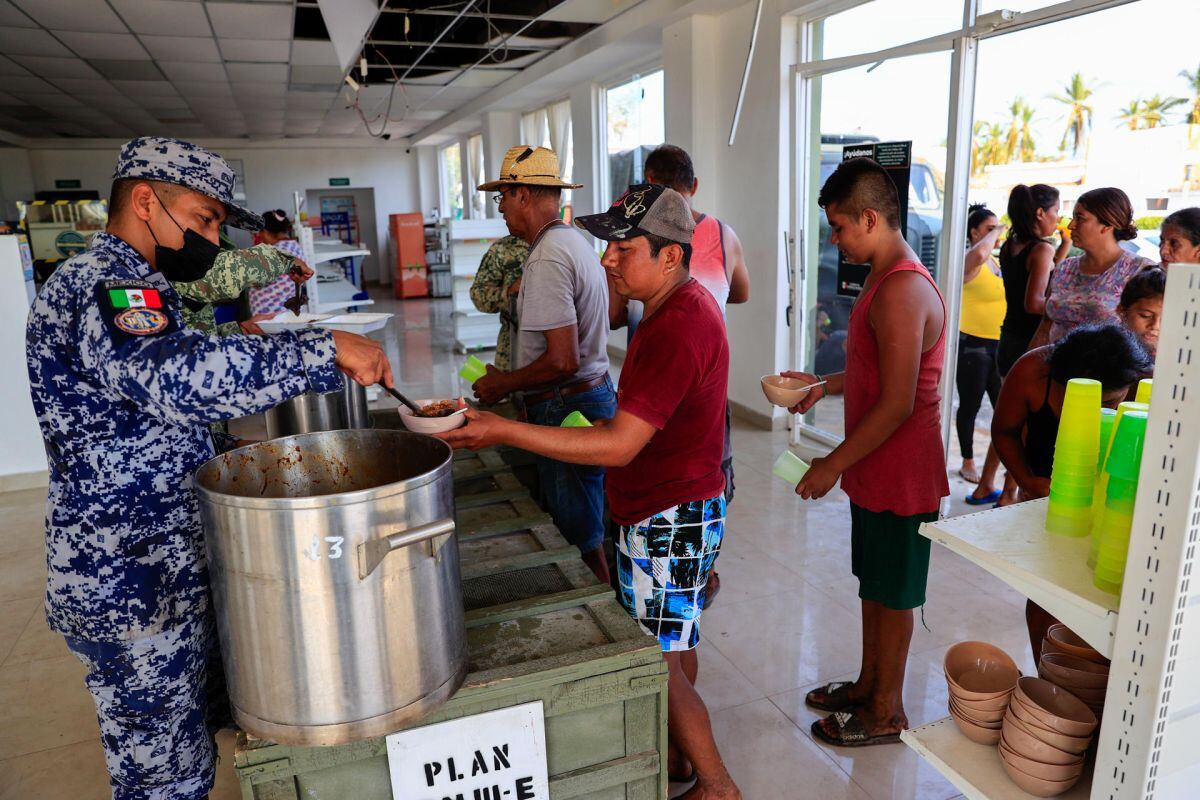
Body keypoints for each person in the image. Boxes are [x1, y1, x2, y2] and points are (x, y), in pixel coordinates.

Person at [25, 137, 392, 800]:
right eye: (203, 219)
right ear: (145, 201)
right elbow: (179, 383)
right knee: (164, 781)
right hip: (128, 580)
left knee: (194, 750)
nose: (213, 238)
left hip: (162, 565)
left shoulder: (142, 284)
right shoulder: (104, 285)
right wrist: (323, 349)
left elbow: (146, 418)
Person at [440, 184, 739, 800]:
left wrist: (502, 428)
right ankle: (683, 760)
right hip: (674, 501)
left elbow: (621, 445)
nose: (606, 260)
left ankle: (717, 785)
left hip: (669, 514)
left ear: (670, 257)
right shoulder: (669, 306)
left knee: (660, 658)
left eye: (623, 249)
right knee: (674, 646)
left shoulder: (679, 323)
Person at [785, 157, 948, 748]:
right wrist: (821, 386)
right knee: (874, 584)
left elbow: (899, 402)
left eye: (839, 227)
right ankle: (868, 683)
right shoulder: (883, 278)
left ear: (871, 218)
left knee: (894, 593)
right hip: (878, 465)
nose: (835, 239)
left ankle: (886, 710)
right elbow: (873, 373)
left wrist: (832, 462)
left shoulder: (903, 288)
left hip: (903, 471)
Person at [472, 146, 616, 582]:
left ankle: (605, 622)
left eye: (502, 198)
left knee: (580, 535)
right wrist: (528, 397)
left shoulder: (548, 257)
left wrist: (505, 384)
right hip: (569, 399)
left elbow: (562, 360)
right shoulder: (571, 242)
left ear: (522, 195)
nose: (501, 210)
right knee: (586, 520)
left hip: (567, 404)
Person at [990, 324, 1152, 657]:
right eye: (1075, 397)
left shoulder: (1144, 383)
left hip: (1115, 509)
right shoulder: (1033, 371)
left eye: (1107, 403)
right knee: (1046, 596)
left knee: (1104, 602)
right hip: (1050, 501)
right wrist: (1026, 481)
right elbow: (1005, 431)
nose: (1093, 411)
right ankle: (1047, 674)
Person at [1031, 187, 1154, 347]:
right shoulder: (1064, 269)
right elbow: (1045, 327)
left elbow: (1151, 335)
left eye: (1080, 218)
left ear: (1108, 224)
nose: (1071, 226)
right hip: (1055, 368)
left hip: (1110, 369)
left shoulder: (1140, 271)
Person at [956, 204, 1005, 503]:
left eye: (998, 228)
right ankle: (967, 461)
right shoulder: (969, 260)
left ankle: (992, 470)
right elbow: (978, 253)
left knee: (1003, 409)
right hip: (973, 345)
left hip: (998, 345)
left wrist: (1063, 246)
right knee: (970, 406)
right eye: (989, 229)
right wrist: (995, 234)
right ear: (975, 232)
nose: (996, 234)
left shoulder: (995, 263)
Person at [997, 184, 1066, 375]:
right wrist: (1069, 306)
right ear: (1040, 213)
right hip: (1030, 342)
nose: (1058, 218)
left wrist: (1065, 244)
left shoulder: (1009, 245)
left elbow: (1044, 272)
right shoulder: (1042, 250)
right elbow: (1034, 304)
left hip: (1009, 337)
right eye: (1056, 210)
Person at [174, 244, 312, 335]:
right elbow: (224, 276)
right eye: (206, 219)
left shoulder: (169, 296)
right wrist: (285, 261)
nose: (213, 241)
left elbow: (200, 341)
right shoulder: (162, 286)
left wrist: (242, 329)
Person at [469, 234, 530, 370]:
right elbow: (478, 294)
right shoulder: (502, 249)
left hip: (556, 342)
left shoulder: (557, 244)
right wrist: (508, 293)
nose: (503, 213)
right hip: (513, 346)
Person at [249, 209, 308, 316]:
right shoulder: (294, 246)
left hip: (271, 315)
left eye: (260, 232)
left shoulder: (271, 253)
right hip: (286, 311)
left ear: (266, 233)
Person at [1116, 266, 1165, 358]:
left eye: (1166, 320)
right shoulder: (1101, 352)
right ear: (1122, 311)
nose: (1155, 326)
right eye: (1145, 316)